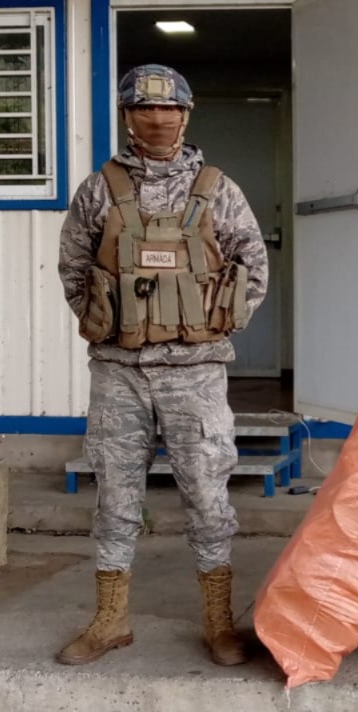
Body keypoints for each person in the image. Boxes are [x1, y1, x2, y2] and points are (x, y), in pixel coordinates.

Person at [56, 64, 268, 667]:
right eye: (145, 108)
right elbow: (74, 267)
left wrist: (211, 325)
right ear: (127, 115)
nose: (158, 119)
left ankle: (219, 622)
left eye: (170, 108)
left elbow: (252, 267)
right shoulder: (98, 189)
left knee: (208, 496)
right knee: (115, 497)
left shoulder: (218, 189)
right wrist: (108, 323)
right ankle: (110, 620)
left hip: (195, 372)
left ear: (186, 114)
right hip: (119, 370)